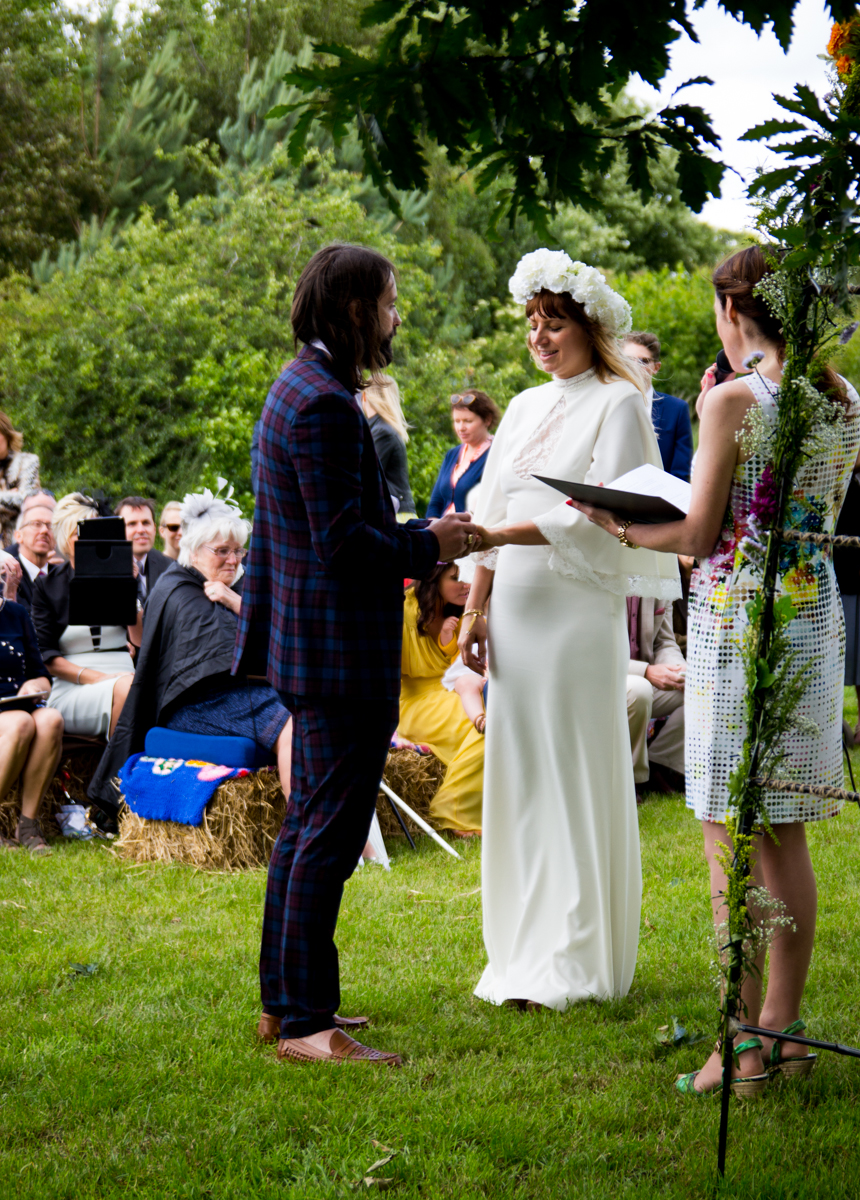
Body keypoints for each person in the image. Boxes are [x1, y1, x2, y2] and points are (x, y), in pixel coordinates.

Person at [568, 245, 860, 1094]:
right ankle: (786, 1028)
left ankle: (736, 1046)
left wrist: (618, 526)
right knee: (785, 830)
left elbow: (700, 536)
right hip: (811, 621)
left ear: (736, 313)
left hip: (738, 627)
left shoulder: (732, 399)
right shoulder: (843, 399)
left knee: (724, 833)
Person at [233, 242, 480, 1067]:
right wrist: (429, 539)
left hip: (314, 647)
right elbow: (343, 548)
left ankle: (289, 1003)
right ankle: (305, 1025)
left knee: (308, 827)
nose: (395, 317)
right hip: (337, 654)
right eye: (387, 302)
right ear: (351, 311)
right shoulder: (325, 406)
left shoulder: (300, 386)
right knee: (327, 835)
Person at [460, 249, 680, 1012]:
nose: (540, 337)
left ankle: (577, 957)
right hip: (514, 610)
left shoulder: (620, 401)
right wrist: (475, 607)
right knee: (519, 780)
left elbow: (599, 518)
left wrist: (491, 542)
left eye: (554, 323)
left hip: (574, 611)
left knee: (571, 773)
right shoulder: (519, 405)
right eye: (532, 323)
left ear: (589, 326)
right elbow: (487, 510)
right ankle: (519, 952)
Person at [89, 488, 291, 813]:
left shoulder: (234, 587)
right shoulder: (179, 590)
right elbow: (226, 657)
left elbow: (281, 635)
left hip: (246, 696)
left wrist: (235, 602)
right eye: (222, 550)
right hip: (197, 705)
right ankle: (310, 829)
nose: (233, 559)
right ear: (194, 551)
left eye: (239, 551)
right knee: (292, 729)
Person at [32, 493, 138, 739]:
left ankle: (114, 772)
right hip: (74, 687)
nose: (86, 539)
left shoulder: (121, 576)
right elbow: (47, 656)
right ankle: (113, 775)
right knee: (130, 688)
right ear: (64, 539)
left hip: (127, 676)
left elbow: (141, 641)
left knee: (136, 689)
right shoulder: (48, 586)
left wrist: (130, 588)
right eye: (78, 533)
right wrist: (103, 679)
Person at [399, 563, 484, 833]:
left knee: (497, 721)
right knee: (484, 728)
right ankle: (453, 810)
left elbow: (456, 660)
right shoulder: (405, 609)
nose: (466, 584)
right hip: (412, 703)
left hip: (447, 690)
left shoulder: (462, 610)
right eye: (456, 578)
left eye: (469, 576)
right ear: (433, 578)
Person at [0, 558, 64, 855]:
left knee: (50, 718)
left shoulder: (16, 613)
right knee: (21, 723)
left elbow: (43, 675)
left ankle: (27, 824)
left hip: (16, 704)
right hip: (10, 718)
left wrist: (35, 686)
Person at [627, 597, 686, 794]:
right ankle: (631, 780)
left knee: (701, 690)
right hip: (603, 677)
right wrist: (646, 671)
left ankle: (659, 765)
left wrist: (679, 669)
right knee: (639, 690)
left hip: (647, 677)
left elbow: (664, 641)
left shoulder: (659, 577)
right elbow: (596, 650)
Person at [623, 332, 694, 482]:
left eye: (643, 361)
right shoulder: (606, 405)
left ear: (656, 367)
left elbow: (680, 475)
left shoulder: (677, 410)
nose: (635, 367)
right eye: (628, 360)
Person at [425, 391, 502, 518]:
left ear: (487, 420)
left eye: (468, 421)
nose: (461, 427)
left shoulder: (496, 454)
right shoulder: (452, 454)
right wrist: (435, 528)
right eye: (457, 421)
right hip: (444, 532)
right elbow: (436, 502)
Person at [362, 376, 416, 520]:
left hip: (396, 514)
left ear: (365, 396)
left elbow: (366, 475)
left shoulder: (382, 431)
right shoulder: (381, 428)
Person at [115, 496, 172, 599]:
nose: (141, 530)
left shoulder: (169, 567)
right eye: (132, 524)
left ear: (154, 529)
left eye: (146, 523)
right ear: (118, 530)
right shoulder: (106, 570)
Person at [0, 411, 40, 546]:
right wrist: (9, 497)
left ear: (6, 434)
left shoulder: (27, 462)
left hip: (22, 545)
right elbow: (16, 501)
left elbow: (27, 501)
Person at [9, 504, 56, 612]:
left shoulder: (64, 576)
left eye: (50, 525)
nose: (44, 530)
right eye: (36, 524)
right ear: (18, 536)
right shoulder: (6, 576)